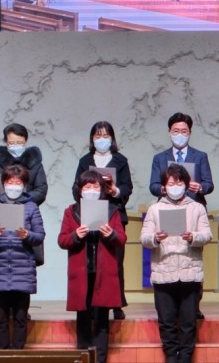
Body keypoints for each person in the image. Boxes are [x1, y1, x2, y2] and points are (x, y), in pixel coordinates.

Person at [141, 164, 212, 363]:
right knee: (167, 322)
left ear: (186, 185)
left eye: (179, 182)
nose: (175, 187)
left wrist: (193, 237)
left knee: (189, 322)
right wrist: (155, 238)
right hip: (164, 272)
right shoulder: (155, 209)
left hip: (190, 273)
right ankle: (171, 357)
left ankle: (185, 358)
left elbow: (207, 235)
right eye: (171, 183)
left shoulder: (197, 207)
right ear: (164, 186)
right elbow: (144, 238)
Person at [58, 170, 126, 363]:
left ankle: (100, 359)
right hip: (82, 273)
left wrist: (111, 234)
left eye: (95, 186)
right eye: (87, 186)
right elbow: (62, 240)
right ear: (80, 190)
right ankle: (84, 357)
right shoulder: (71, 211)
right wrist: (75, 236)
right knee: (83, 317)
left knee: (102, 320)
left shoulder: (111, 210)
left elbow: (122, 238)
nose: (91, 190)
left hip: (103, 273)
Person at [0, 164, 45, 349]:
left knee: (20, 318)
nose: (14, 186)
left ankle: (18, 354)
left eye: (18, 182)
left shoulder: (31, 207)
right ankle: (3, 354)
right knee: (0, 318)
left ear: (24, 184)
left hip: (23, 269)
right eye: (10, 182)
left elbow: (40, 236)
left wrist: (27, 235)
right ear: (3, 183)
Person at [73, 121, 133, 320]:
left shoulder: (121, 160)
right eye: (97, 136)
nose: (102, 140)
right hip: (89, 213)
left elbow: (127, 187)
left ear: (112, 138)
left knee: (115, 261)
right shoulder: (85, 160)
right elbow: (76, 187)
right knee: (91, 260)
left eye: (105, 136)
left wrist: (114, 190)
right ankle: (90, 301)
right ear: (92, 139)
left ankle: (117, 303)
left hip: (113, 212)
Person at [150, 112, 214, 207]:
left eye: (184, 131)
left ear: (189, 133)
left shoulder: (201, 156)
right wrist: (164, 189)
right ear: (169, 132)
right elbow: (153, 186)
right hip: (167, 206)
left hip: (194, 205)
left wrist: (200, 187)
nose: (180, 135)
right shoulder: (159, 158)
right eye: (176, 131)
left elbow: (209, 184)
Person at [0, 123, 48, 207]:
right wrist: (4, 199)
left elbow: (41, 189)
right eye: (11, 143)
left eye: (19, 142)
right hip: (2, 208)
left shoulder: (34, 162)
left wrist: (24, 199)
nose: (15, 146)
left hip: (28, 209)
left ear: (25, 141)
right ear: (6, 142)